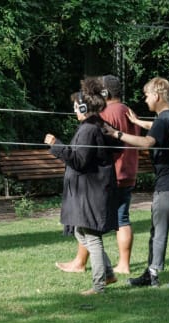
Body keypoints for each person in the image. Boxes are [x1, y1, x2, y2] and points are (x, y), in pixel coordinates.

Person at [103, 76, 169, 290]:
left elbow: (148, 141)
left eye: (146, 95)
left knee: (158, 231)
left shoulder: (164, 120)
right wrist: (137, 123)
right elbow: (155, 127)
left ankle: (152, 275)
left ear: (156, 95)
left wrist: (117, 133)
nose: (145, 100)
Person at [54, 75, 140, 275]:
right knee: (122, 219)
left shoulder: (106, 113)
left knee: (89, 224)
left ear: (104, 93)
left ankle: (84, 264)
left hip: (110, 175)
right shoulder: (128, 110)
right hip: (129, 170)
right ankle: (122, 264)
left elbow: (93, 146)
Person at [44, 77, 120, 295]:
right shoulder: (94, 126)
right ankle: (107, 273)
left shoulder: (89, 129)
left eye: (76, 106)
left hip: (91, 191)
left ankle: (99, 285)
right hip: (90, 190)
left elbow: (79, 160)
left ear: (85, 107)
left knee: (91, 236)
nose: (74, 110)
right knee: (80, 231)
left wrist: (56, 145)